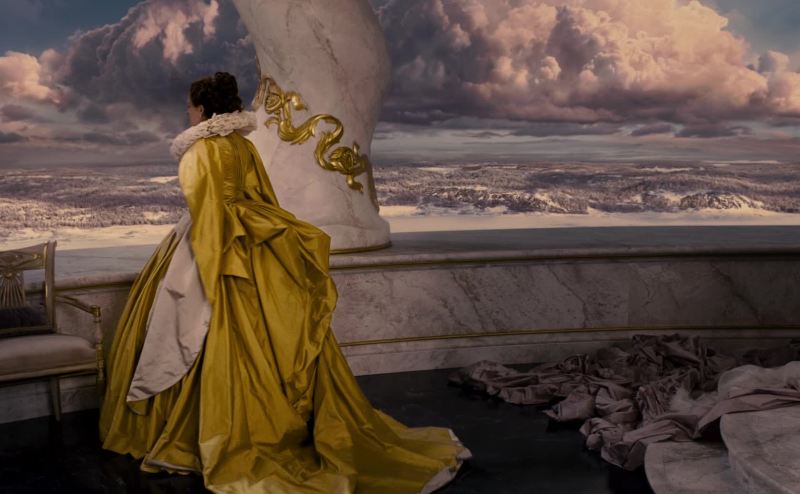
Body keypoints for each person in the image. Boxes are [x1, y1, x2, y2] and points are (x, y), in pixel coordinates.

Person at [99, 72, 470, 493]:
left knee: (192, 331)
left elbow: (207, 216)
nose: (187, 112)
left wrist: (209, 269)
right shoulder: (243, 147)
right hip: (251, 248)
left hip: (213, 246)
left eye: (189, 106)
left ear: (202, 109)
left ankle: (201, 432)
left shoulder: (200, 151)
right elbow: (263, 201)